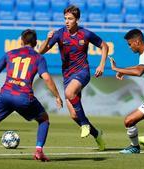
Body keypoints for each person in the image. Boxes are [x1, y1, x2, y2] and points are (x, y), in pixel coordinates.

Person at [0, 29, 63, 161]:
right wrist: (57, 96)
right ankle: (39, 151)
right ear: (35, 43)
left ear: (21, 41)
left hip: (6, 95)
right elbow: (46, 78)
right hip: (24, 97)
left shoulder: (10, 54)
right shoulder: (38, 58)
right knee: (44, 119)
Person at [39, 5, 108, 150]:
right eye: (65, 19)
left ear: (77, 19)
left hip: (82, 72)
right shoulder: (59, 34)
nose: (66, 21)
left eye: (70, 19)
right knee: (74, 115)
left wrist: (101, 65)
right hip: (68, 76)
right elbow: (41, 51)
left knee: (69, 93)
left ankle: (84, 125)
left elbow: (104, 45)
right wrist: (47, 39)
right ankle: (97, 134)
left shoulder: (86, 34)